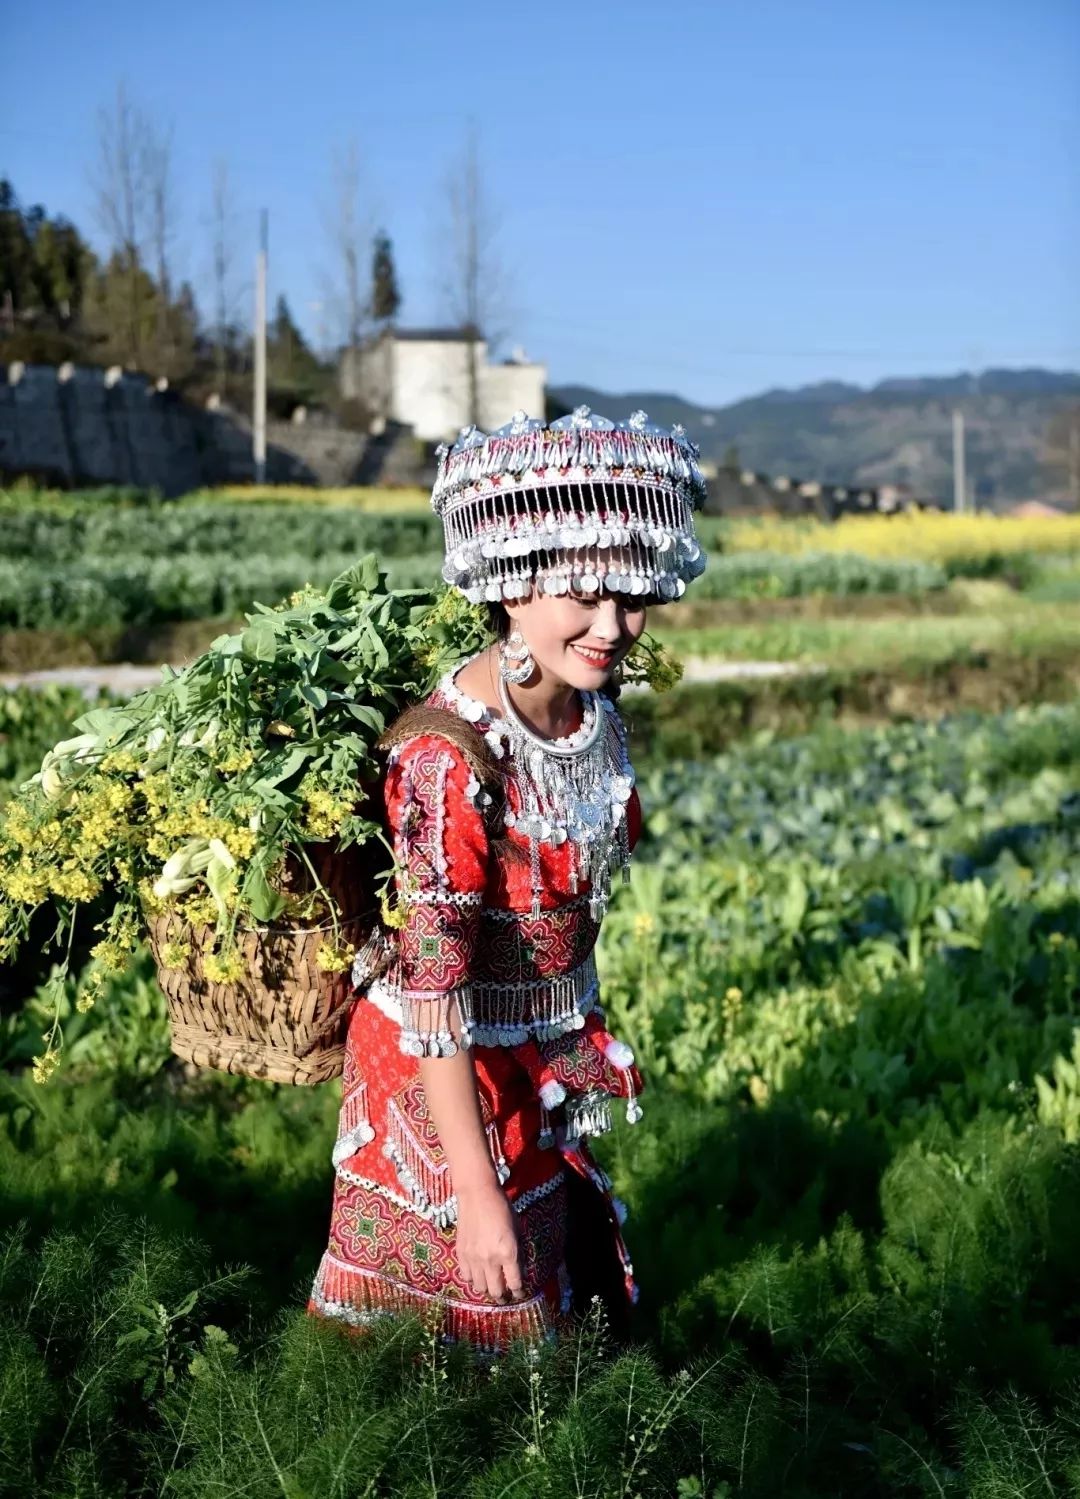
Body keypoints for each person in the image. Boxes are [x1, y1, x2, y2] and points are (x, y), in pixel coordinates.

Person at [308, 405, 708, 1354]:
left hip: (534, 1064)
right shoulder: (449, 761)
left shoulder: (594, 719)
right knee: (461, 1352)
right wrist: (476, 1192)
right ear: (513, 579)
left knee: (547, 1340)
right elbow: (432, 998)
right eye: (582, 592)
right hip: (441, 1084)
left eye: (630, 593)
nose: (613, 624)